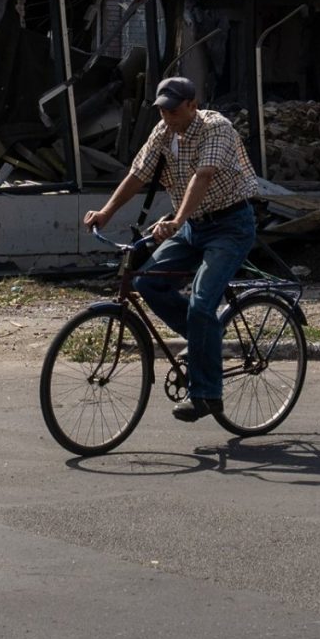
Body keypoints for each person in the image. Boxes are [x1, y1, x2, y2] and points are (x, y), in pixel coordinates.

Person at [81, 75, 263, 421]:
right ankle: (204, 340)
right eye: (163, 111)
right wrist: (106, 212)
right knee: (147, 282)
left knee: (201, 303)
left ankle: (207, 395)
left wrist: (176, 222)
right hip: (193, 225)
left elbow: (203, 175)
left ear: (193, 105)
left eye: (175, 111)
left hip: (230, 226)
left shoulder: (216, 128)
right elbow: (138, 174)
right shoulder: (163, 131)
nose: (168, 118)